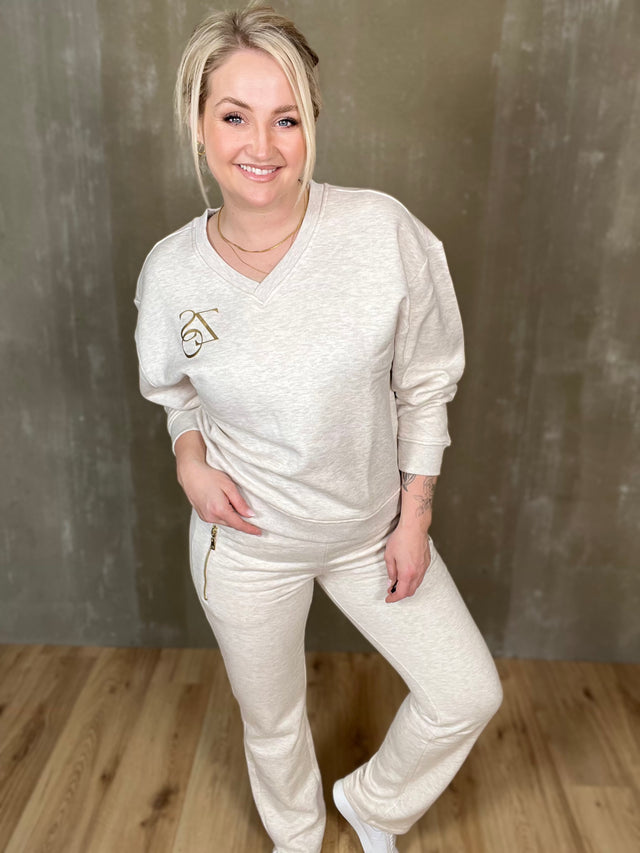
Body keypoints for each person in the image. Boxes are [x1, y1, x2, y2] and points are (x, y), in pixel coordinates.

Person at [133, 4, 504, 852]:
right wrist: (189, 460)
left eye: (286, 118)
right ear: (198, 123)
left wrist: (414, 516)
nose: (261, 145)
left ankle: (373, 804)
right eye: (235, 116)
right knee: (272, 721)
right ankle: (297, 836)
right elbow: (174, 391)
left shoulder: (381, 233)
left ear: (311, 125)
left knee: (465, 693)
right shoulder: (172, 272)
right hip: (246, 545)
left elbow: (425, 381)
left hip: (370, 531)